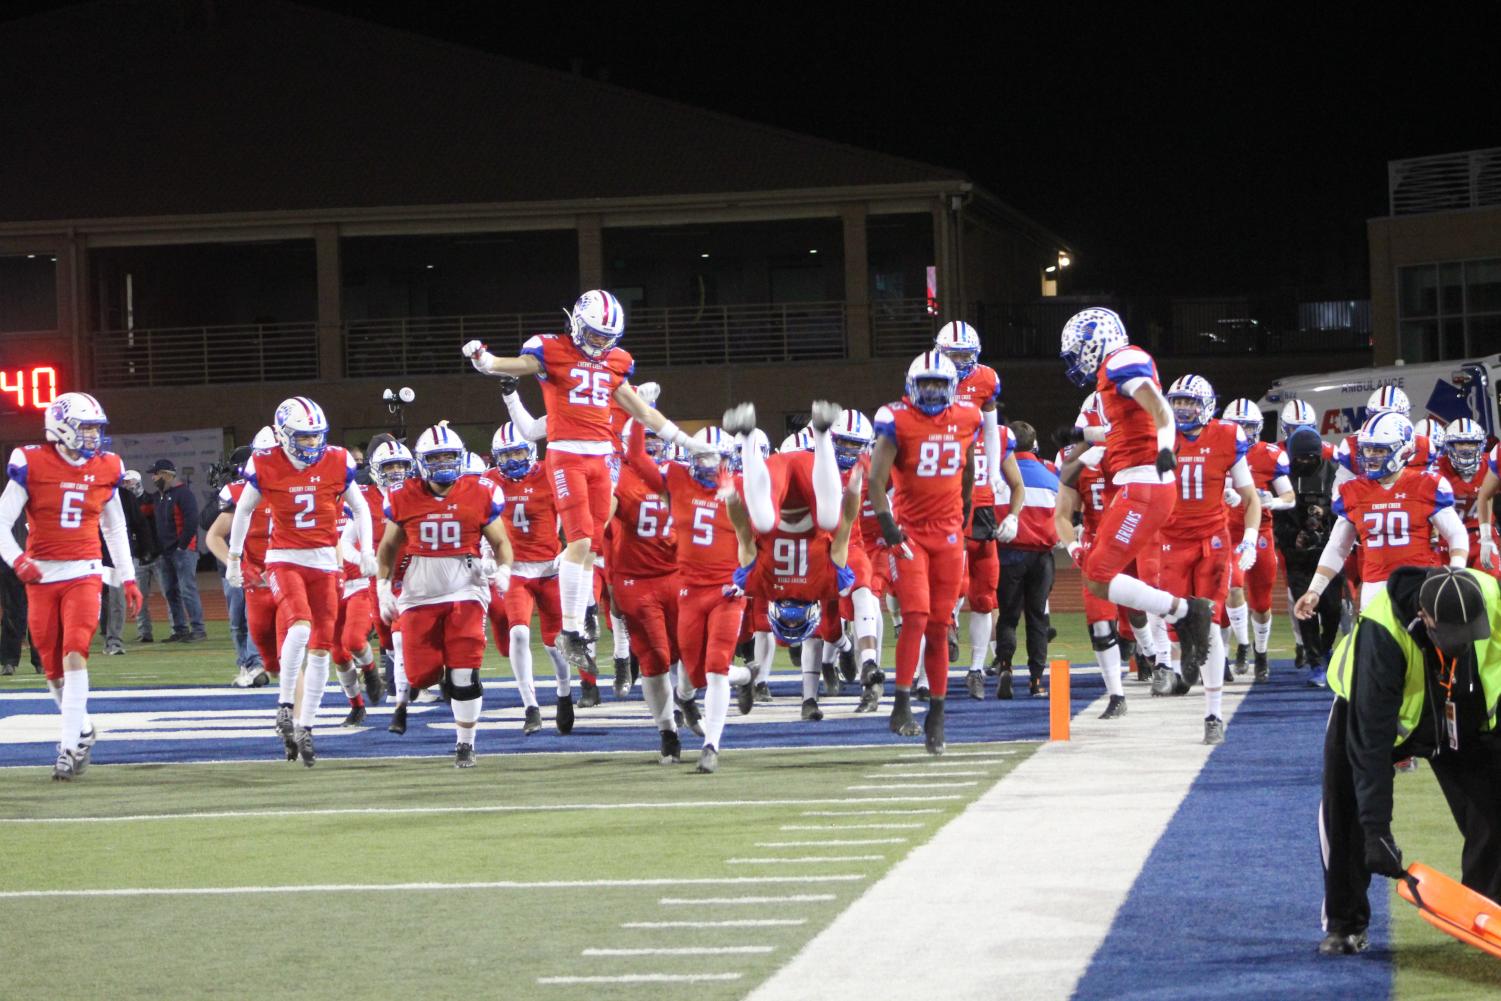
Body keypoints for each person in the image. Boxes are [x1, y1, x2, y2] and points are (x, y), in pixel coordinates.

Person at [462, 290, 715, 676]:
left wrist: (689, 443)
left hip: (603, 458)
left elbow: (644, 412)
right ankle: (570, 629)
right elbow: (512, 366)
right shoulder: (552, 349)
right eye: (594, 333)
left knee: (592, 542)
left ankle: (582, 618)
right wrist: (485, 360)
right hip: (567, 454)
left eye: (605, 336)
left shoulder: (617, 362)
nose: (599, 343)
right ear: (578, 322)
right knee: (579, 540)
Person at [1318, 567, 1501, 956]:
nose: (1465, 643)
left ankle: (1485, 911)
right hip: (1374, 715)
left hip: (1461, 711)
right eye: (1454, 635)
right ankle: (1345, 925)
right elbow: (1370, 746)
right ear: (1426, 617)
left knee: (1496, 805)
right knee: (1346, 809)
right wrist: (1377, 832)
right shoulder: (1381, 633)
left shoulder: (1491, 592)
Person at [1056, 308, 1215, 675]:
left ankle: (1187, 612)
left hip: (1144, 482)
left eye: (1080, 349)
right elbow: (1123, 429)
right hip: (1139, 483)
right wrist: (1080, 435)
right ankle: (1183, 612)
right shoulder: (1112, 374)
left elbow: (1160, 408)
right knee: (1097, 578)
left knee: (1097, 574)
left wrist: (1163, 446)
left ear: (1097, 341)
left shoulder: (1121, 361)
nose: (1078, 359)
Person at [227, 397, 377, 766]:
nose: (312, 444)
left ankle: (306, 725)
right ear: (283, 435)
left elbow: (360, 507)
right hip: (284, 559)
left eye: (315, 437)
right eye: (303, 438)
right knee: (299, 624)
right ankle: (284, 704)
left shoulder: (337, 460)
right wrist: (233, 558)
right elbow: (243, 510)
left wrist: (368, 549)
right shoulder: (265, 461)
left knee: (323, 647)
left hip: (325, 561)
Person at [0, 393, 142, 779]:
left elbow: (114, 526)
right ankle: (81, 729)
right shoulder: (32, 462)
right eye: (87, 428)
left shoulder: (106, 467)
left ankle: (66, 749)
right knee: (51, 668)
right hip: (42, 576)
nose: (95, 437)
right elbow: (1, 520)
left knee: (75, 650)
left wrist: (126, 576)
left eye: (98, 428)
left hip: (85, 571)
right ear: (61, 427)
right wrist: (18, 560)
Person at [869, 352, 986, 754]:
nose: (933, 391)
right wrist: (888, 525)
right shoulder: (896, 419)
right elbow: (876, 479)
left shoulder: (968, 417)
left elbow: (968, 466)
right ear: (912, 385)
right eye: (926, 384)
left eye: (939, 383)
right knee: (915, 615)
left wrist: (967, 503)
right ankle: (901, 702)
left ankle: (937, 711)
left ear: (951, 386)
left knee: (940, 625)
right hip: (911, 534)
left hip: (949, 534)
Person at [378, 422, 512, 768]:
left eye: (450, 456)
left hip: (465, 588)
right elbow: (389, 545)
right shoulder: (403, 496)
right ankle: (443, 682)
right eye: (436, 458)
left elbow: (500, 542)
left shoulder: (480, 491)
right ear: (422, 462)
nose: (443, 464)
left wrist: (505, 568)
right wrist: (382, 586)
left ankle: (465, 743)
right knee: (422, 676)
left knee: (464, 671)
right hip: (419, 594)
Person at [624, 421, 752, 773]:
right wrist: (638, 418)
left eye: (715, 459)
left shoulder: (738, 487)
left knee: (714, 668)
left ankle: (711, 746)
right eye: (702, 458)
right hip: (690, 590)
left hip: (727, 589)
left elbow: (755, 539)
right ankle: (743, 677)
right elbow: (635, 456)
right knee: (696, 676)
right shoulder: (677, 478)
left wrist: (746, 576)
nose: (708, 466)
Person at [1152, 375, 1260, 744]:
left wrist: (1247, 538)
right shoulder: (1163, 434)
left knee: (1211, 622)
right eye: (1177, 402)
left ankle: (1213, 715)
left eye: (1189, 402)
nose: (1181, 409)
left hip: (1213, 540)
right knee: (1176, 618)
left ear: (1207, 404)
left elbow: (1251, 497)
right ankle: (1183, 661)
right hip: (1171, 540)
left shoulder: (1227, 436)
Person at [1295, 413, 1467, 621]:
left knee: (1423, 649)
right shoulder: (1353, 490)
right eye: (1367, 449)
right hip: (1374, 588)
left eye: (1379, 450)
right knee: (1373, 651)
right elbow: (1338, 546)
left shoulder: (1427, 484)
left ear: (1403, 450)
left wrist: (1455, 572)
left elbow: (1456, 534)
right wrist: (1315, 590)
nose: (1371, 456)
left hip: (1418, 585)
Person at [487, 423, 568, 735]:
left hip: (550, 568)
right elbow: (483, 520)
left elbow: (575, 511)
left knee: (554, 643)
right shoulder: (490, 480)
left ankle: (563, 692)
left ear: (531, 451)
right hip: (516, 569)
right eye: (506, 454)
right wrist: (485, 555)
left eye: (519, 451)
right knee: (518, 633)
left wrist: (572, 547)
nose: (513, 459)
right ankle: (530, 706)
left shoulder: (550, 472)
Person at [611, 420, 685, 757]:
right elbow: (601, 520)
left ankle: (687, 698)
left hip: (678, 575)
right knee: (655, 657)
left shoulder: (682, 473)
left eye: (659, 438)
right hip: (636, 579)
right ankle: (667, 730)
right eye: (647, 439)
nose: (654, 446)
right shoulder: (620, 476)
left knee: (691, 653)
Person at [1220, 398, 1295, 680]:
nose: (1242, 432)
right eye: (1237, 426)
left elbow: (1289, 497)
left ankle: (1260, 653)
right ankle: (1238, 647)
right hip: (1226, 531)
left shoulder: (1269, 455)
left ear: (1258, 428)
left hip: (1260, 533)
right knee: (1231, 590)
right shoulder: (1216, 451)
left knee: (1261, 603)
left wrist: (1271, 501)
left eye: (1248, 427)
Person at [207, 427, 281, 689]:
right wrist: (236, 565)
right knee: (240, 622)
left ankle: (259, 665)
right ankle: (248, 665)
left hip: (284, 568)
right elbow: (213, 535)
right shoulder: (239, 491)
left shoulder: (297, 486)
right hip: (248, 567)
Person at [991, 422, 1058, 700]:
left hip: (1008, 555)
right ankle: (1036, 681)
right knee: (1038, 619)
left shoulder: (996, 474)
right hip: (1042, 559)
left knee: (1007, 617)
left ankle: (1005, 667)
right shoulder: (1051, 473)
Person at [1273, 426, 1343, 687]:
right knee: (1307, 611)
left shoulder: (1335, 474)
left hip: (1330, 550)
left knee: (1333, 609)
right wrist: (1295, 537)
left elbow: (1347, 513)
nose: (1304, 462)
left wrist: (1326, 513)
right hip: (1298, 557)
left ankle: (1325, 649)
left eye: (1310, 457)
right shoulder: (1283, 478)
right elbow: (1277, 521)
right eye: (1299, 458)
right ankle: (1315, 662)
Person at [149, 459, 205, 642]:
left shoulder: (183, 494)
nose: (153, 477)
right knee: (170, 591)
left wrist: (182, 545)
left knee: (187, 589)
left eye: (156, 474)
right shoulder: (158, 497)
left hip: (183, 550)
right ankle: (179, 629)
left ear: (166, 474)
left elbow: (191, 522)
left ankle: (198, 629)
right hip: (166, 552)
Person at [120, 469, 163, 642]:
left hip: (157, 554)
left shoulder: (152, 500)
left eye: (129, 482)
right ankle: (144, 632)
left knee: (171, 594)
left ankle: (179, 628)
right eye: (125, 482)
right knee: (140, 597)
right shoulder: (122, 503)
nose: (126, 485)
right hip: (136, 555)